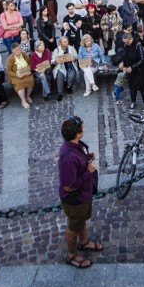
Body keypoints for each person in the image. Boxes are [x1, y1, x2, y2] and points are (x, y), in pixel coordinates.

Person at [58, 115, 101, 269]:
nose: (84, 128)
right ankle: (72, 255)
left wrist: (86, 158)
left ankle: (84, 242)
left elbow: (79, 161)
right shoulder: (68, 157)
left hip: (84, 195)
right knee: (73, 227)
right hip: (75, 200)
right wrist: (88, 171)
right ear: (77, 134)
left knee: (81, 220)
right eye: (82, 127)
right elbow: (68, 186)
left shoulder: (75, 145)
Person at [121, 31, 144, 111]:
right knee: (132, 87)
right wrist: (123, 64)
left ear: (131, 39)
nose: (126, 44)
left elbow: (142, 59)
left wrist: (132, 67)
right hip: (131, 70)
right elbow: (124, 56)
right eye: (125, 42)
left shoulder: (138, 44)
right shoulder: (126, 45)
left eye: (127, 42)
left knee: (143, 87)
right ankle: (133, 101)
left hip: (141, 70)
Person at [52, 36, 79, 102]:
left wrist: (74, 58)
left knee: (71, 76)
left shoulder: (71, 48)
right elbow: (53, 60)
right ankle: (60, 93)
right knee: (59, 75)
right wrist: (56, 61)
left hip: (70, 65)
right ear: (60, 43)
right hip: (61, 66)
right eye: (64, 42)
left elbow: (76, 56)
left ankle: (68, 86)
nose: (66, 43)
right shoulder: (57, 50)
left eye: (67, 41)